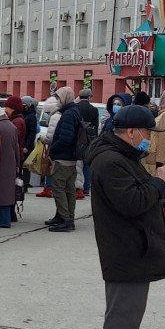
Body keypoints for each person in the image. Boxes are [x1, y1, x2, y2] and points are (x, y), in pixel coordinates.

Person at [84, 105, 165, 329]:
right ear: (131, 132)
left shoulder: (122, 155)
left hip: (131, 247)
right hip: (126, 250)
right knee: (122, 317)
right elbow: (133, 202)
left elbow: (139, 193)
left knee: (127, 316)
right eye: (148, 132)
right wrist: (159, 181)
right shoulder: (111, 161)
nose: (149, 137)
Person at [45, 87, 85, 232]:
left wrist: (53, 150)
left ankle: (66, 220)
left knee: (59, 189)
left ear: (65, 98)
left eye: (59, 98)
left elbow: (65, 138)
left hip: (63, 158)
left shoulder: (68, 114)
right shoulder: (74, 111)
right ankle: (63, 217)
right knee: (69, 190)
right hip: (71, 158)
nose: (57, 101)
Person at [75, 89, 99, 195]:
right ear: (89, 97)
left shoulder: (75, 108)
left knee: (77, 164)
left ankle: (77, 187)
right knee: (87, 164)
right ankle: (86, 188)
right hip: (89, 139)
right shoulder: (94, 110)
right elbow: (96, 126)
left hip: (77, 138)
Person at [20, 96, 40, 193]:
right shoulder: (23, 115)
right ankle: (19, 184)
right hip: (22, 144)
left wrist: (27, 146)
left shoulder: (31, 117)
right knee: (20, 165)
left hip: (27, 145)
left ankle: (24, 186)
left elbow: (32, 133)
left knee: (25, 167)